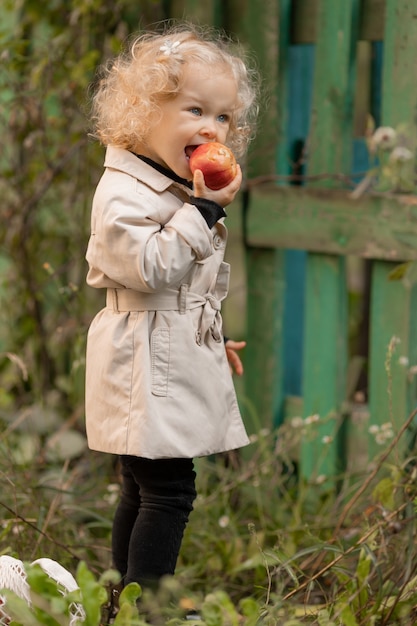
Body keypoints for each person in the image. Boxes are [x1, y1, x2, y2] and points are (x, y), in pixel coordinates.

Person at [84, 22, 259, 596]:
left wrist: (209, 338)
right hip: (142, 358)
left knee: (143, 488)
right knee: (168, 491)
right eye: (193, 110)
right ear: (143, 115)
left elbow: (184, 288)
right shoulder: (123, 192)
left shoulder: (170, 184)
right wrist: (204, 211)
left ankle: (123, 601)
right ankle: (146, 606)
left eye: (223, 117)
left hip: (162, 347)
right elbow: (152, 268)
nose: (211, 127)